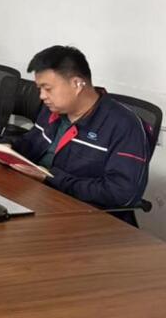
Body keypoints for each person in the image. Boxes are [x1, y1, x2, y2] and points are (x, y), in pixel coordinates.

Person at [8, 46, 150, 221]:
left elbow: (121, 193)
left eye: (48, 89)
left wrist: (51, 178)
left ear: (77, 84)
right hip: (41, 199)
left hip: (89, 219)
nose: (42, 96)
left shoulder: (124, 125)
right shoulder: (52, 110)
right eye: (40, 89)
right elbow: (31, 143)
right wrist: (9, 149)